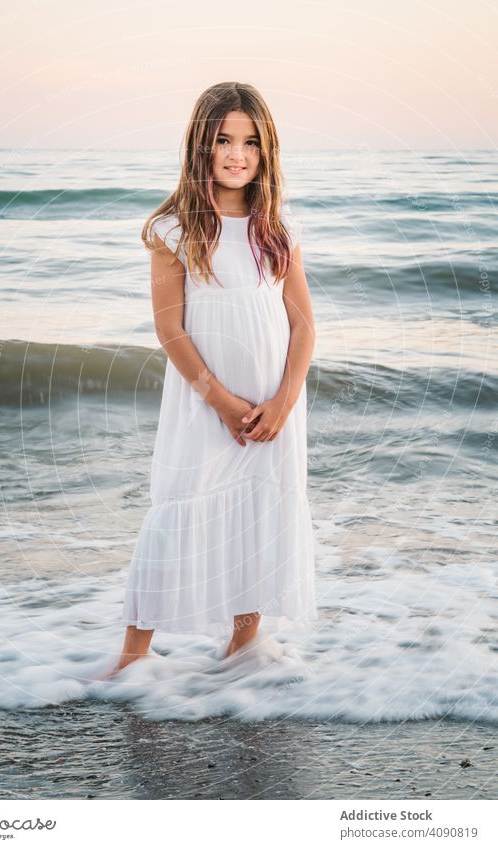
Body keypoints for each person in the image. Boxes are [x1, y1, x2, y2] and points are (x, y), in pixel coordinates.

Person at [111, 80, 318, 677]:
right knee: (179, 506)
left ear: (266, 151)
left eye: (251, 143)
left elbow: (303, 328)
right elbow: (171, 331)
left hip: (275, 403)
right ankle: (132, 659)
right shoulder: (174, 230)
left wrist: (283, 399)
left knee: (260, 508)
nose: (237, 154)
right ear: (200, 145)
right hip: (207, 403)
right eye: (223, 140)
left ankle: (243, 644)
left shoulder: (278, 230)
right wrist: (223, 402)